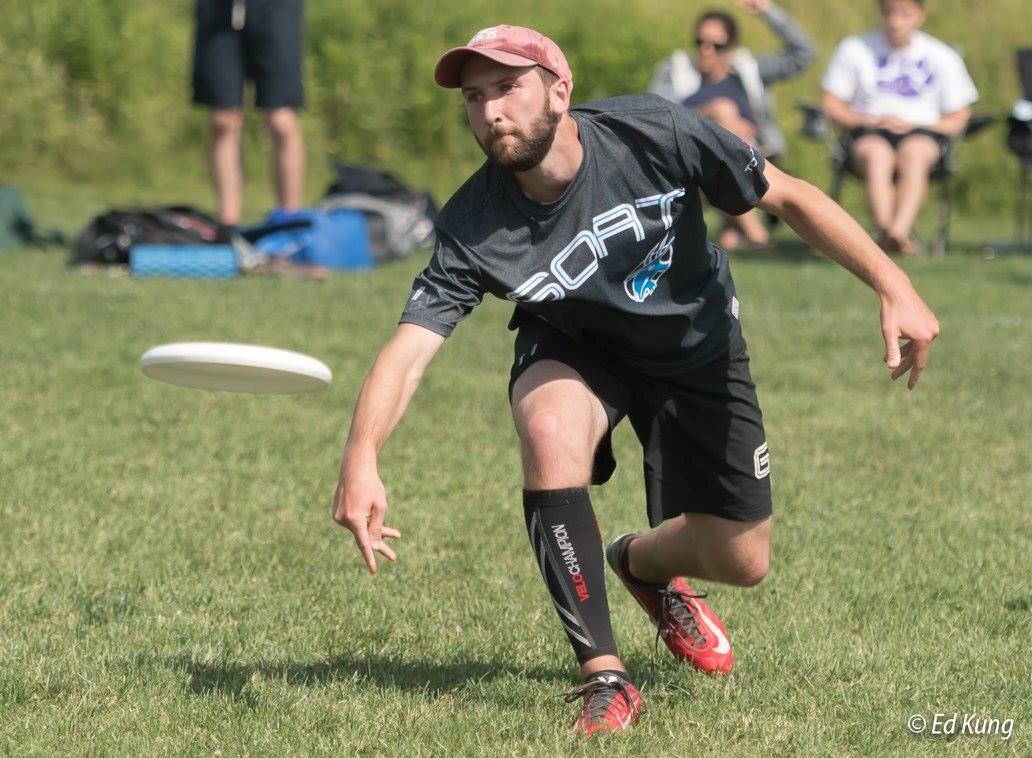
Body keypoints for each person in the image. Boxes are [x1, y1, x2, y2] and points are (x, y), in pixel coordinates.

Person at [331, 25, 939, 736]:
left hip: (696, 345)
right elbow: (410, 346)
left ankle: (641, 564)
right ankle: (606, 677)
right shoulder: (474, 222)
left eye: (507, 89)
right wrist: (361, 456)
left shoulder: (652, 130)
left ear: (559, 90)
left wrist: (893, 285)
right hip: (579, 346)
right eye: (474, 98)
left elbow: (789, 196)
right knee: (550, 427)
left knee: (742, 560)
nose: (491, 112)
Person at [650, 0, 817, 251]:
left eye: (717, 46)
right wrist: (713, 114)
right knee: (723, 114)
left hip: (754, 157)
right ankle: (759, 237)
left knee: (729, 240)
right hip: (692, 165)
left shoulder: (747, 71)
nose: (706, 51)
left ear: (731, 48)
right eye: (700, 42)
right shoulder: (675, 72)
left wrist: (767, 11)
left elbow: (804, 54)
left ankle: (736, 230)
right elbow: (654, 116)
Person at [821, 0, 978, 256]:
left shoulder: (940, 55)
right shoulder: (854, 48)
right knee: (876, 154)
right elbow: (831, 103)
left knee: (915, 153)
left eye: (904, 15)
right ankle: (887, 232)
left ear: (920, 15)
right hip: (869, 130)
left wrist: (916, 125)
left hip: (921, 132)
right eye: (888, 14)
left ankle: (897, 232)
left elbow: (960, 115)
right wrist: (867, 121)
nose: (895, 22)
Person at [192, 0, 306, 230]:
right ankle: (228, 226)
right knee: (223, 120)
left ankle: (290, 222)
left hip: (275, 10)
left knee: (281, 120)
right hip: (218, 11)